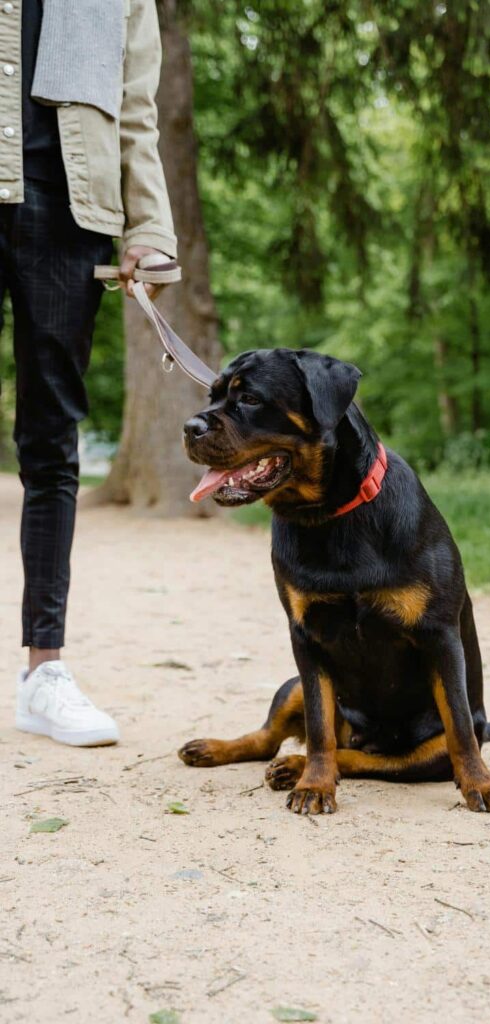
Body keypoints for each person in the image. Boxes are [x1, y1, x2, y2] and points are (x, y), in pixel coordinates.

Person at [0, 0, 177, 745]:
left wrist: (151, 226)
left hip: (72, 204)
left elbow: (137, 106)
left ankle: (46, 671)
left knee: (52, 442)